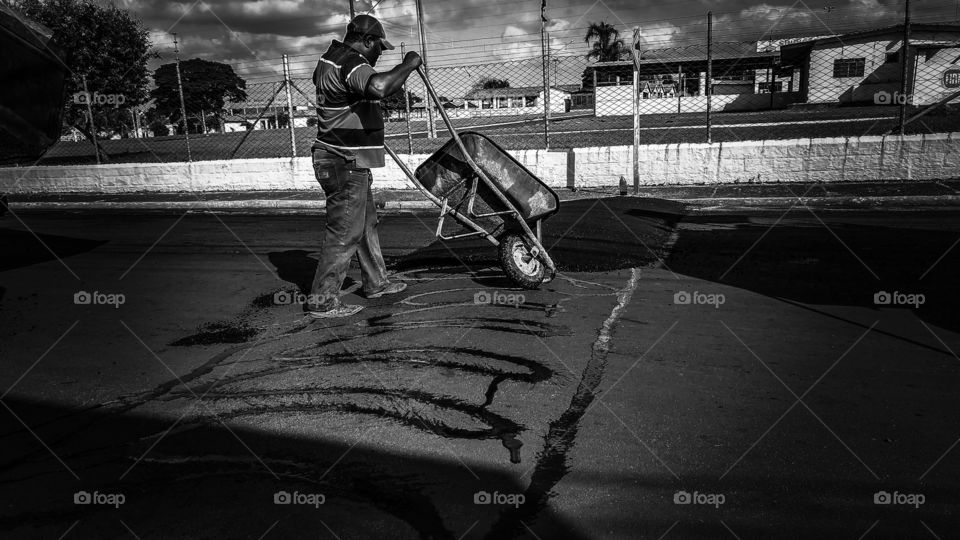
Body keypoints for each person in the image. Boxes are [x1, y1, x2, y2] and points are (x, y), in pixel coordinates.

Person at [306, 15, 422, 318]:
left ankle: (376, 282)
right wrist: (409, 63)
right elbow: (380, 86)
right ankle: (323, 300)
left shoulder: (332, 60)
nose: (379, 54)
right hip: (342, 161)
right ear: (367, 40)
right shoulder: (349, 60)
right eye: (379, 49)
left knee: (365, 224)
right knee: (345, 231)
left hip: (348, 160)